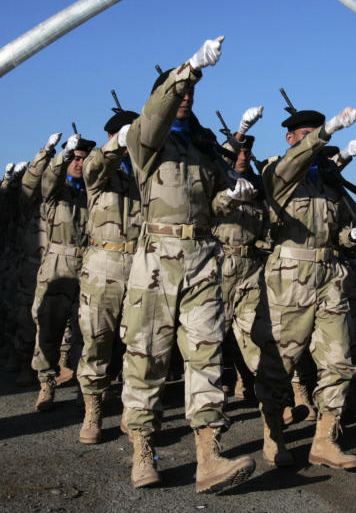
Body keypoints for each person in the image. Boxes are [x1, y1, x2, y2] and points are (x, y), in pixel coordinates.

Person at [121, 36, 256, 493]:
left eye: (190, 95)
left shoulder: (201, 147)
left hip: (202, 257)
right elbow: (156, 111)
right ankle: (143, 449)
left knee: (206, 353)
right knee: (148, 356)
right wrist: (189, 68)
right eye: (179, 94)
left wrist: (231, 195)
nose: (185, 100)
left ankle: (208, 455)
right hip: (157, 260)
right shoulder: (147, 140)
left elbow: (215, 199)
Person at [253, 102, 356, 470]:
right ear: (290, 139)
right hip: (290, 273)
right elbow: (293, 163)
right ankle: (272, 432)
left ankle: (325, 439)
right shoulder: (277, 171)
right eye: (305, 137)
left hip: (330, 273)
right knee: (281, 361)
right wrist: (329, 130)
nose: (313, 144)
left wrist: (354, 235)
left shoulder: (326, 181)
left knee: (339, 361)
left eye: (316, 137)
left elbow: (335, 231)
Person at [75, 108, 141, 444]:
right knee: (98, 339)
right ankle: (94, 408)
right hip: (105, 260)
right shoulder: (100, 170)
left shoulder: (145, 170)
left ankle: (132, 410)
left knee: (139, 343)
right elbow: (94, 166)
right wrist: (118, 143)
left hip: (143, 264)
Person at [32, 132, 93, 411]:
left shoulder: (92, 193)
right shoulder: (56, 192)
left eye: (83, 159)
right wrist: (61, 155)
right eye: (75, 158)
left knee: (86, 331)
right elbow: (46, 180)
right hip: (58, 265)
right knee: (50, 328)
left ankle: (85, 388)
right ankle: (46, 383)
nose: (79, 164)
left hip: (87, 266)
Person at [214, 105, 268, 402]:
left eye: (247, 153)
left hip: (250, 267)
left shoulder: (257, 188)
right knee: (212, 335)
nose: (243, 157)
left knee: (254, 332)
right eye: (239, 152)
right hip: (218, 264)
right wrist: (240, 131)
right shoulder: (216, 183)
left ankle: (265, 393)